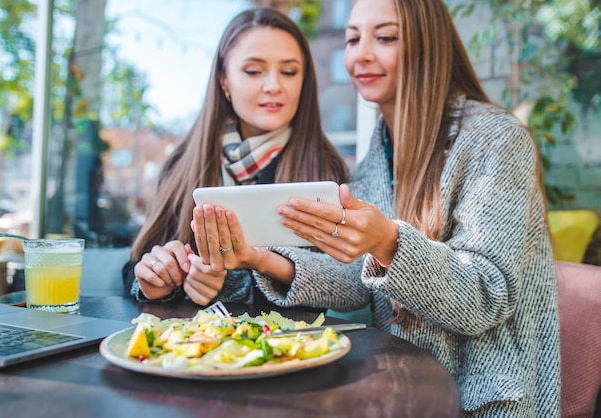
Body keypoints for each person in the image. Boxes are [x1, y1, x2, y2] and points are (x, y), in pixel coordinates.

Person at [241, 0, 560, 416]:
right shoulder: (373, 164)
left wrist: (388, 242)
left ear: (428, 45)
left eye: (386, 37)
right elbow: (359, 279)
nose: (361, 55)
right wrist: (263, 259)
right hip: (398, 393)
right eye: (352, 39)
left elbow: (486, 294)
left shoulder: (496, 141)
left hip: (485, 402)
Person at [122, 8, 351, 307]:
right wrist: (155, 280)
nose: (273, 86)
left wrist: (226, 282)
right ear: (224, 81)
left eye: (289, 72)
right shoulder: (183, 164)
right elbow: (135, 265)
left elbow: (343, 285)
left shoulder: (325, 170)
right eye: (254, 71)